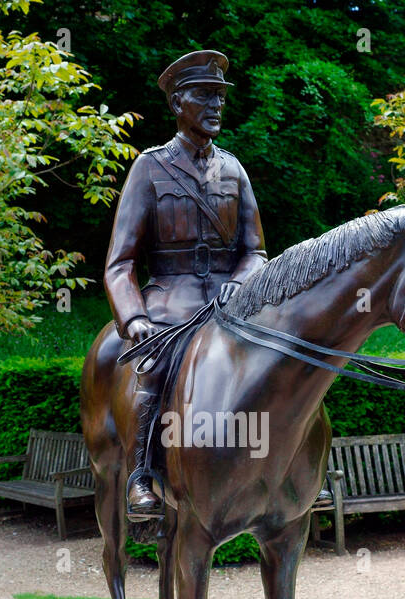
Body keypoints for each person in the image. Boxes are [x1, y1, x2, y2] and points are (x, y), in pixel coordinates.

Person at [103, 50, 267, 517]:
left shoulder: (234, 170)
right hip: (170, 303)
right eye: (204, 95)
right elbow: (119, 264)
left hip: (231, 304)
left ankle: (298, 466)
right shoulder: (149, 168)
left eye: (220, 96)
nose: (216, 104)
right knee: (151, 364)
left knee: (289, 351)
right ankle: (141, 476)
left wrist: (241, 281)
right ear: (178, 104)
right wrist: (133, 318)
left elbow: (255, 249)